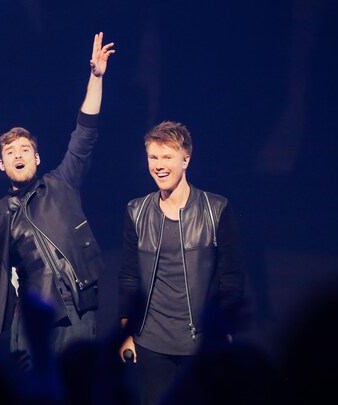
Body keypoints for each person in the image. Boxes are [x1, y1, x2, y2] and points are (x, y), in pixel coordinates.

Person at [0, 32, 115, 370]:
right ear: (1, 164)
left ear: (37, 158)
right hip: (30, 320)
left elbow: (84, 133)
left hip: (75, 312)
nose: (18, 155)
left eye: (25, 150)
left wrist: (96, 78)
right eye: (11, 152)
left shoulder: (60, 183)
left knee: (76, 387)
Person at [118, 121, 245, 404]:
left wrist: (224, 328)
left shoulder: (216, 209)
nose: (159, 165)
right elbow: (128, 276)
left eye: (167, 157)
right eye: (153, 157)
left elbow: (231, 278)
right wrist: (126, 332)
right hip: (151, 343)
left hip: (201, 344)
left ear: (186, 160)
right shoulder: (137, 210)